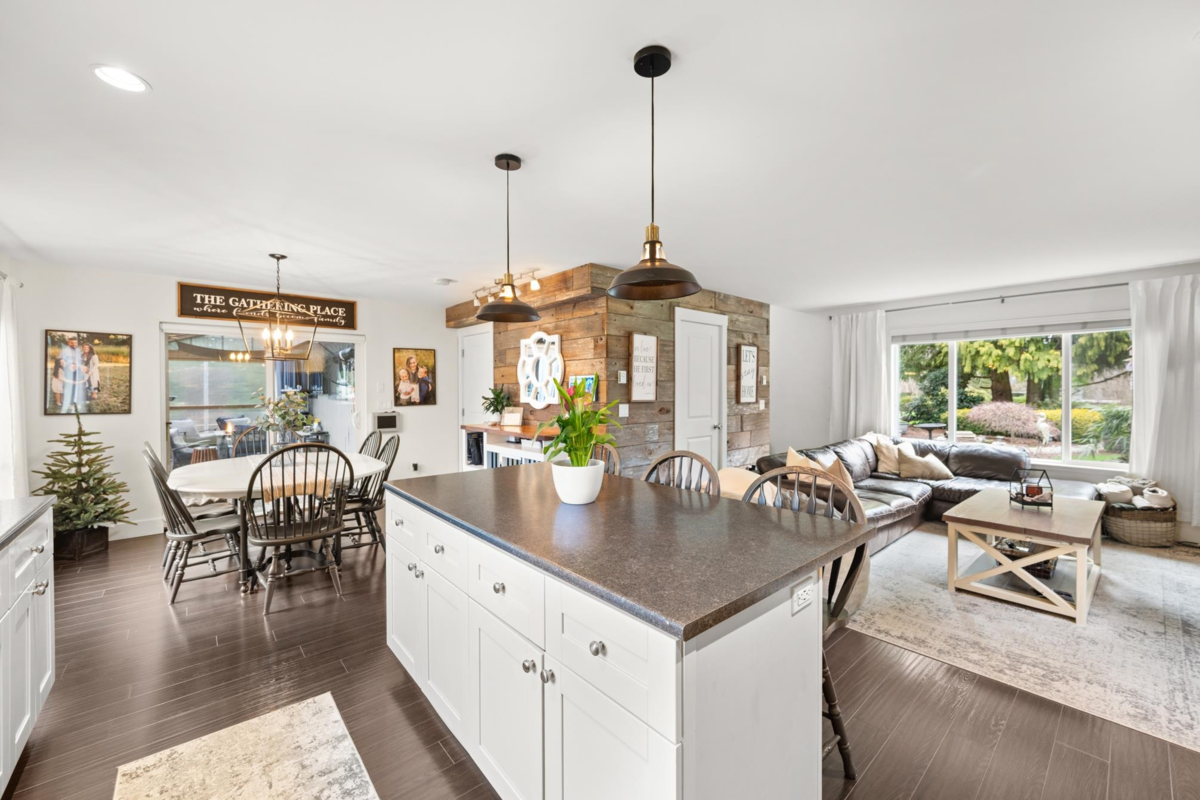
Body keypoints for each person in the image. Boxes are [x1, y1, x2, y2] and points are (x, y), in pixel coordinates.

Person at [59, 334, 89, 413]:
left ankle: (77, 402)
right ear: (68, 342)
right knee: (70, 387)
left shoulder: (78, 350)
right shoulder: (64, 351)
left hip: (78, 370)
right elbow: (61, 362)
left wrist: (82, 366)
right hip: (69, 371)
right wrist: (68, 365)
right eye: (72, 343)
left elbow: (78, 361)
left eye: (75, 343)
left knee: (78, 386)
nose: (74, 344)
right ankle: (70, 403)